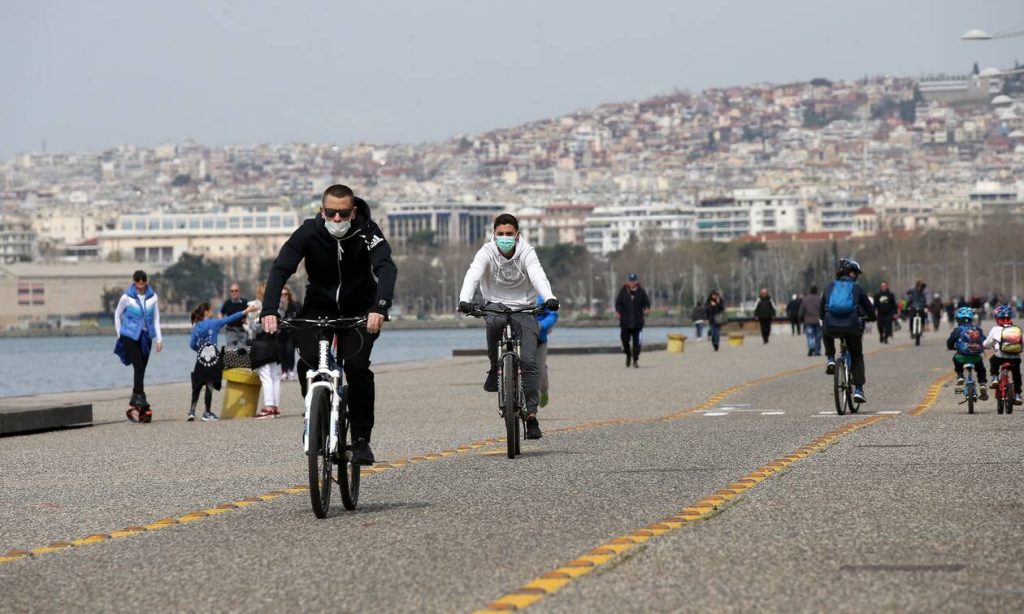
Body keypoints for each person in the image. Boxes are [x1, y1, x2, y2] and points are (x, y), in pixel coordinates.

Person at [260, 184, 397, 466]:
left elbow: (385, 267)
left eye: (343, 214)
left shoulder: (367, 231)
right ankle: (315, 414)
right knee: (307, 362)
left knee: (356, 366)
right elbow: (280, 269)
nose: (337, 220)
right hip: (317, 309)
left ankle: (360, 439)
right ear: (322, 212)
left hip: (359, 311)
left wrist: (379, 307)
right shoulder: (308, 231)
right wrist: (269, 309)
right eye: (331, 213)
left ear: (353, 211)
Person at [458, 213, 558, 440]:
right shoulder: (486, 252)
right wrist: (464, 300)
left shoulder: (527, 252)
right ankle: (495, 369)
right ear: (494, 235)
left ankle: (531, 415)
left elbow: (538, 276)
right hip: (496, 304)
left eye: (509, 234)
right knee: (493, 324)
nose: (505, 238)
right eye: (500, 234)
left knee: (531, 362)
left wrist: (549, 296)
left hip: (524, 308)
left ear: (517, 235)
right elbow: (472, 274)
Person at [188, 301, 258, 421]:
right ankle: (207, 413)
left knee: (197, 385)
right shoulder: (214, 323)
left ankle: (192, 412)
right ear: (206, 312)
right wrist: (246, 311)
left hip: (200, 360)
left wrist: (201, 350)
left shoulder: (196, 326)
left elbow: (192, 344)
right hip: (212, 359)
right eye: (211, 310)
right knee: (209, 384)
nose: (213, 312)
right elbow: (231, 318)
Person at [821, 258, 876, 403]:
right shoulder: (856, 287)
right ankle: (858, 390)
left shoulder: (829, 286)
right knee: (856, 355)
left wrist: (824, 319)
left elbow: (821, 308)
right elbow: (868, 307)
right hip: (851, 326)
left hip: (831, 326)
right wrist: (872, 317)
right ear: (853, 274)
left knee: (826, 330)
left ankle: (831, 359)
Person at [114, 270, 163, 423]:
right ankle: (141, 402)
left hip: (146, 338)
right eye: (138, 279)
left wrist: (159, 339)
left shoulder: (153, 297)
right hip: (130, 336)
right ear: (134, 281)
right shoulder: (127, 297)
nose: (140, 282)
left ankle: (135, 402)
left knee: (141, 369)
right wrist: (119, 335)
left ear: (146, 280)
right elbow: (117, 314)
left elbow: (156, 318)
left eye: (143, 279)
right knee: (139, 367)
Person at [249, 282, 283, 419]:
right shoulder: (278, 309)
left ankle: (268, 407)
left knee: (266, 377)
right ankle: (274, 407)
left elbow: (255, 328)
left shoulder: (258, 310)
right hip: (275, 344)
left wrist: (251, 320)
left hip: (262, 346)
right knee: (275, 377)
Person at [947, 306, 989, 400]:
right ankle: (982, 383)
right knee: (981, 369)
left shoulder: (958, 330)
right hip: (976, 358)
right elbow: (985, 341)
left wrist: (951, 347)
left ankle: (960, 376)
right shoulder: (977, 329)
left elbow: (950, 342)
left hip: (962, 358)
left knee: (955, 358)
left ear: (958, 319)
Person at [984, 304, 1022, 405]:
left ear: (997, 318)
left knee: (993, 360)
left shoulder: (995, 329)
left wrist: (984, 346)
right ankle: (1018, 395)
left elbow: (987, 343)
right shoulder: (1016, 329)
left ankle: (995, 377)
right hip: (1015, 358)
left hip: (1000, 357)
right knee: (1016, 374)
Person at [615, 273, 651, 367]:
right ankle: (628, 355)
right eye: (630, 281)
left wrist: (647, 309)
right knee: (625, 340)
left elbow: (646, 303)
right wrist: (618, 312)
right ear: (628, 281)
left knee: (637, 343)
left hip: (638, 323)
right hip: (625, 322)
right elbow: (618, 304)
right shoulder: (623, 291)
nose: (632, 283)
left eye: (633, 281)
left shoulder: (641, 291)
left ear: (636, 281)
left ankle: (635, 360)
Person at [535, 295, 558, 408]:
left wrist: (541, 325)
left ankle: (544, 391)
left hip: (539, 340)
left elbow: (552, 314)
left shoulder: (542, 296)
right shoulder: (513, 294)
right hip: (519, 338)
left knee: (540, 370)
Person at [278, 286, 300, 380]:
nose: (284, 296)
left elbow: (298, 315)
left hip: (291, 332)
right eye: (282, 294)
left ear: (289, 295)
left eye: (285, 294)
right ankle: (284, 371)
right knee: (282, 352)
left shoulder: (293, 304)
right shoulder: (278, 305)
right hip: (280, 332)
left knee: (290, 351)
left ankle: (290, 370)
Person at [220, 283, 249, 349]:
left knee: (241, 350)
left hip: (242, 330)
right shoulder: (227, 303)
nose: (234, 292)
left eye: (236, 290)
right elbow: (221, 313)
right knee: (231, 350)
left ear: (239, 291)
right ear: (230, 292)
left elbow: (249, 311)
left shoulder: (244, 302)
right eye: (232, 291)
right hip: (230, 330)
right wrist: (224, 322)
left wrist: (246, 320)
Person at [798, 284, 822, 356]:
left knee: (810, 336)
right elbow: (823, 310)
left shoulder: (805, 299)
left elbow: (801, 310)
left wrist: (800, 319)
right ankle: (817, 351)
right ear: (817, 291)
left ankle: (811, 346)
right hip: (818, 321)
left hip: (808, 321)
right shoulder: (819, 299)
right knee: (818, 336)